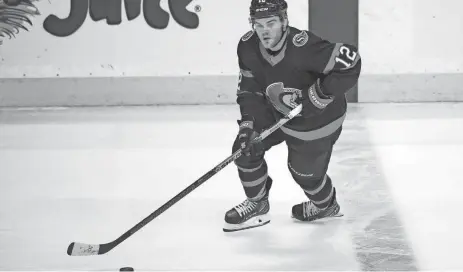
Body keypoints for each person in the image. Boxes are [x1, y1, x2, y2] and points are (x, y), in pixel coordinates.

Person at [223, 0, 362, 232]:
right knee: (245, 147)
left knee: (304, 174)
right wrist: (248, 124)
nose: (265, 31)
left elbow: (351, 61)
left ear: (284, 21)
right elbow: (249, 90)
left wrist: (319, 95)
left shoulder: (304, 47)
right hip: (277, 110)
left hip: (319, 118)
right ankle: (257, 204)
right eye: (258, 25)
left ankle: (325, 205)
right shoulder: (247, 47)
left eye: (271, 23)